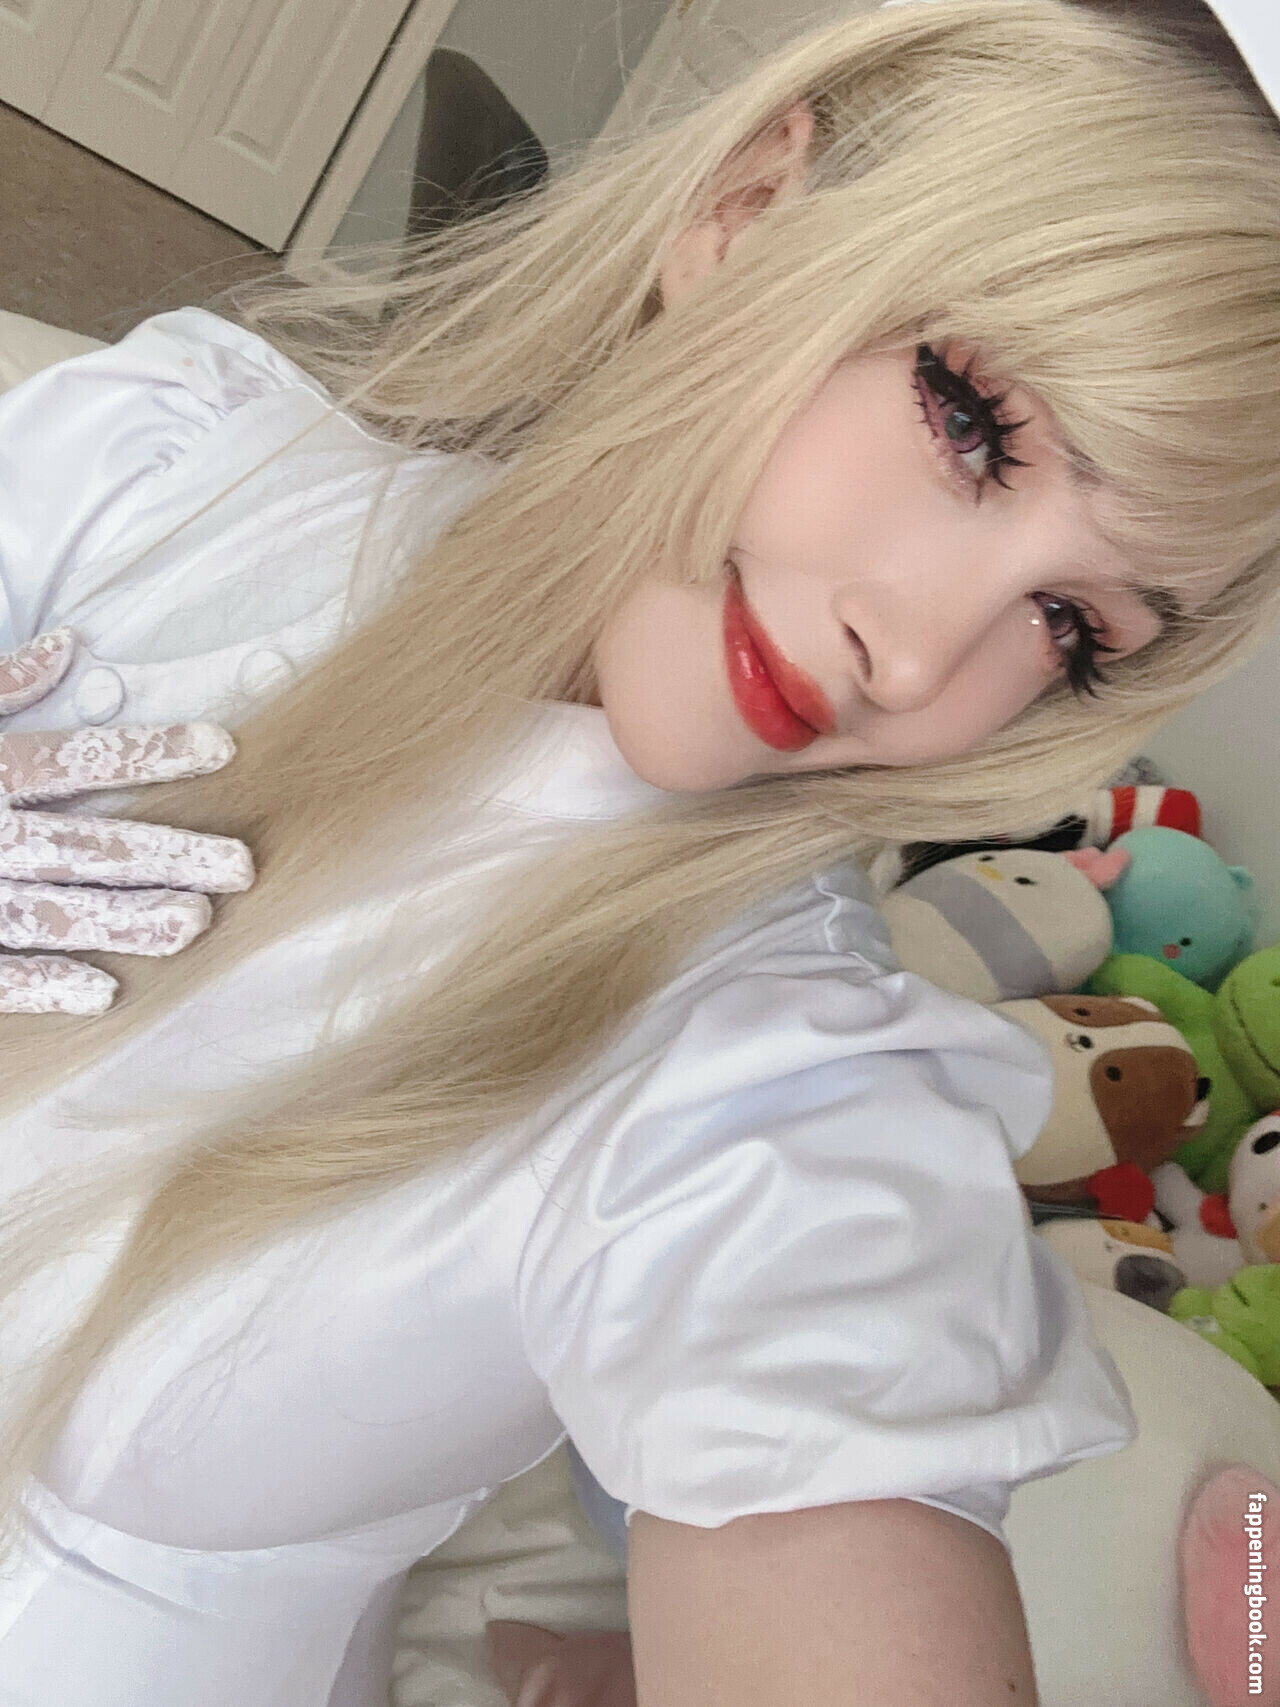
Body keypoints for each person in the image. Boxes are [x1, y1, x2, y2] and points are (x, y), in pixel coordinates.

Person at [0, 1, 1277, 1702]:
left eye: (1072, 623)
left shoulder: (787, 1098)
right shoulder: (170, 462)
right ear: (747, 212)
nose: (916, 663)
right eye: (974, 425)